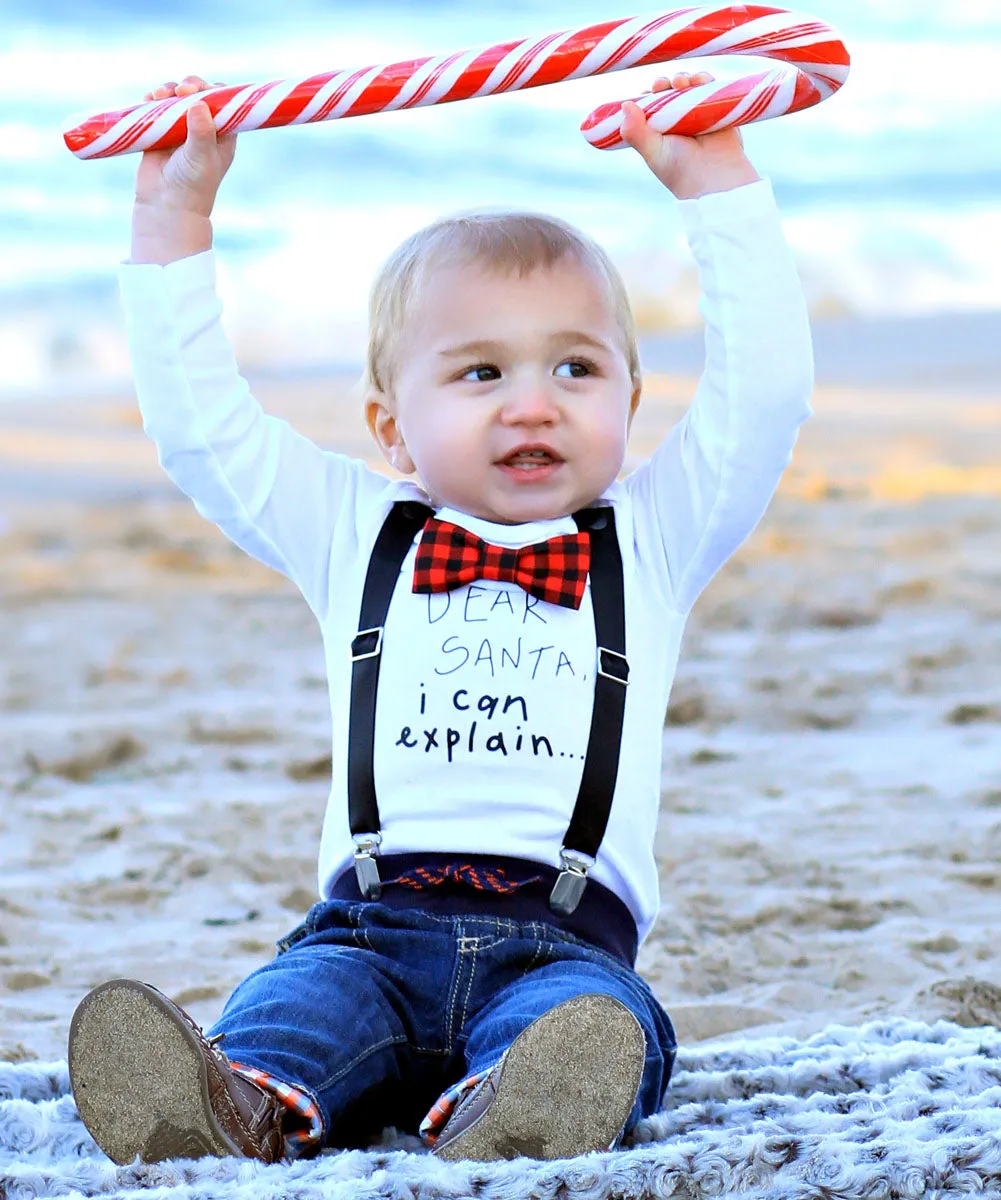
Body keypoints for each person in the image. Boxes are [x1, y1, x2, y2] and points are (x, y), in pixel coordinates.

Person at [68, 69, 814, 1167]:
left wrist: (716, 183)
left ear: (629, 402)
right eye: (479, 372)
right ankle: (231, 1108)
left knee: (592, 1029)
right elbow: (201, 430)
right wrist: (174, 217)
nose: (533, 401)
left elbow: (764, 398)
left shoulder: (652, 538)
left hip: (562, 942)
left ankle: (511, 1112)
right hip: (367, 931)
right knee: (292, 1010)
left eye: (575, 366)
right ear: (393, 430)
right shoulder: (353, 530)